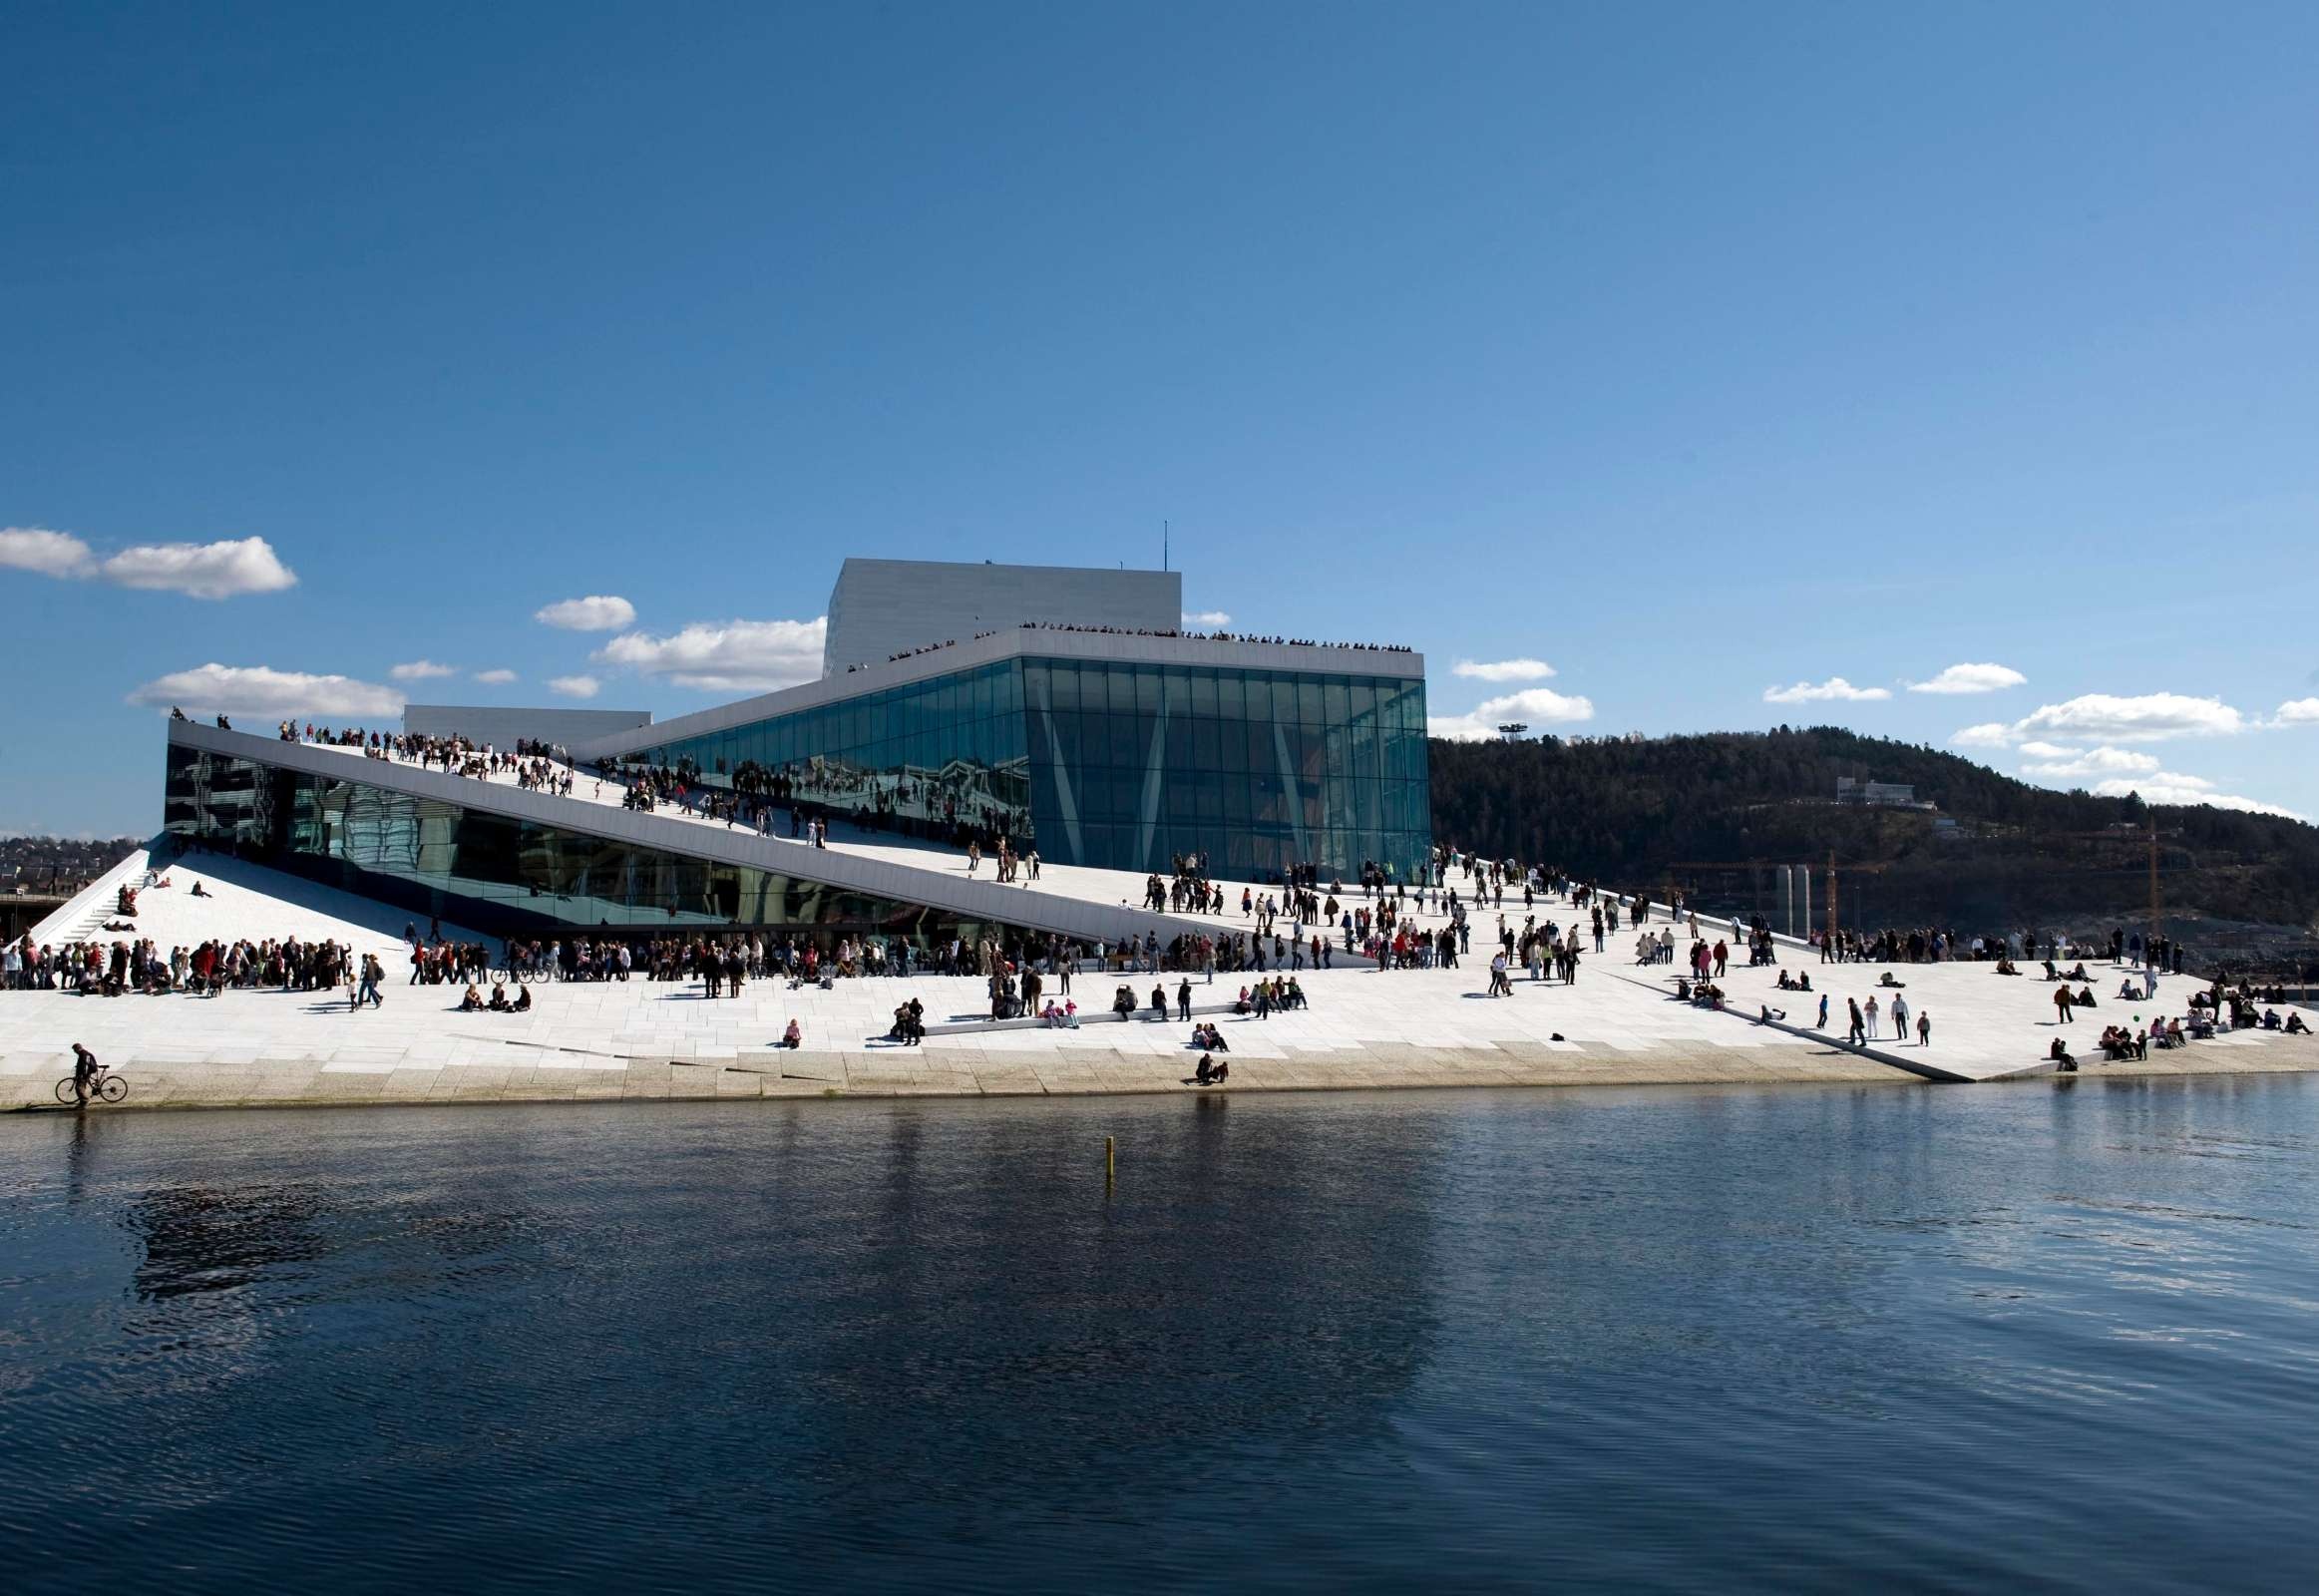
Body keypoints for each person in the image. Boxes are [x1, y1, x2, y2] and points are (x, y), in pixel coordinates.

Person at [70, 1042, 99, 1108]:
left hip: (85, 1074)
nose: (74, 1051)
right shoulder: (82, 1054)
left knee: (79, 1088)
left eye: (74, 1050)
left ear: (78, 1048)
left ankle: (85, 1100)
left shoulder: (84, 1054)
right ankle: (82, 1102)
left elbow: (85, 1066)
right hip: (84, 1073)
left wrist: (83, 1075)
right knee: (81, 1087)